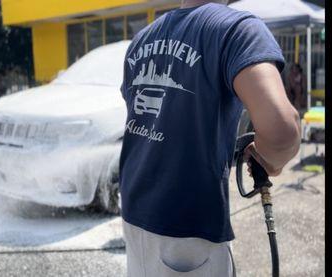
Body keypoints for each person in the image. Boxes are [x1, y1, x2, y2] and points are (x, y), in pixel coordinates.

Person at [119, 1, 301, 276]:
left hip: (134, 213)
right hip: (188, 228)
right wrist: (270, 160)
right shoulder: (236, 29)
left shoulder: (143, 39)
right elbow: (282, 131)